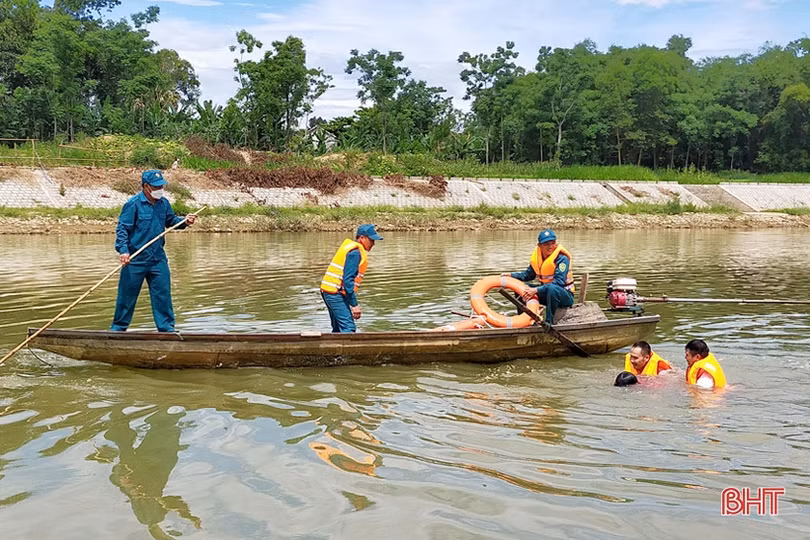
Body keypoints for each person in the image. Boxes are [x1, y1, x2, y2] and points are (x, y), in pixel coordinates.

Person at [111, 170, 197, 333]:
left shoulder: (163, 204)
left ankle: (166, 330)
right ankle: (118, 330)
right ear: (146, 186)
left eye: (162, 186)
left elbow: (171, 222)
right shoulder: (133, 204)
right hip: (135, 259)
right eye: (157, 186)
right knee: (126, 297)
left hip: (157, 259)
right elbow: (122, 229)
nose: (160, 189)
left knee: (163, 295)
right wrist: (123, 251)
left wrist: (185, 221)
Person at [320, 224, 383, 333]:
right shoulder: (355, 253)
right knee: (348, 328)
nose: (373, 244)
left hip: (330, 291)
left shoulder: (353, 250)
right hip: (335, 293)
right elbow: (348, 280)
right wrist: (354, 305)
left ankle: (333, 347)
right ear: (362, 238)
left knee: (338, 328)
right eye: (371, 240)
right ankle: (347, 348)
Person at [508, 228, 575, 324]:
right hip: (547, 293)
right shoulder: (537, 257)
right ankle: (524, 320)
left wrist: (536, 290)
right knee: (521, 289)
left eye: (552, 243)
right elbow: (528, 275)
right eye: (546, 244)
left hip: (565, 295)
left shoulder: (562, 258)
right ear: (539, 245)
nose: (550, 246)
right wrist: (511, 275)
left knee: (553, 288)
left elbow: (559, 282)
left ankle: (549, 322)